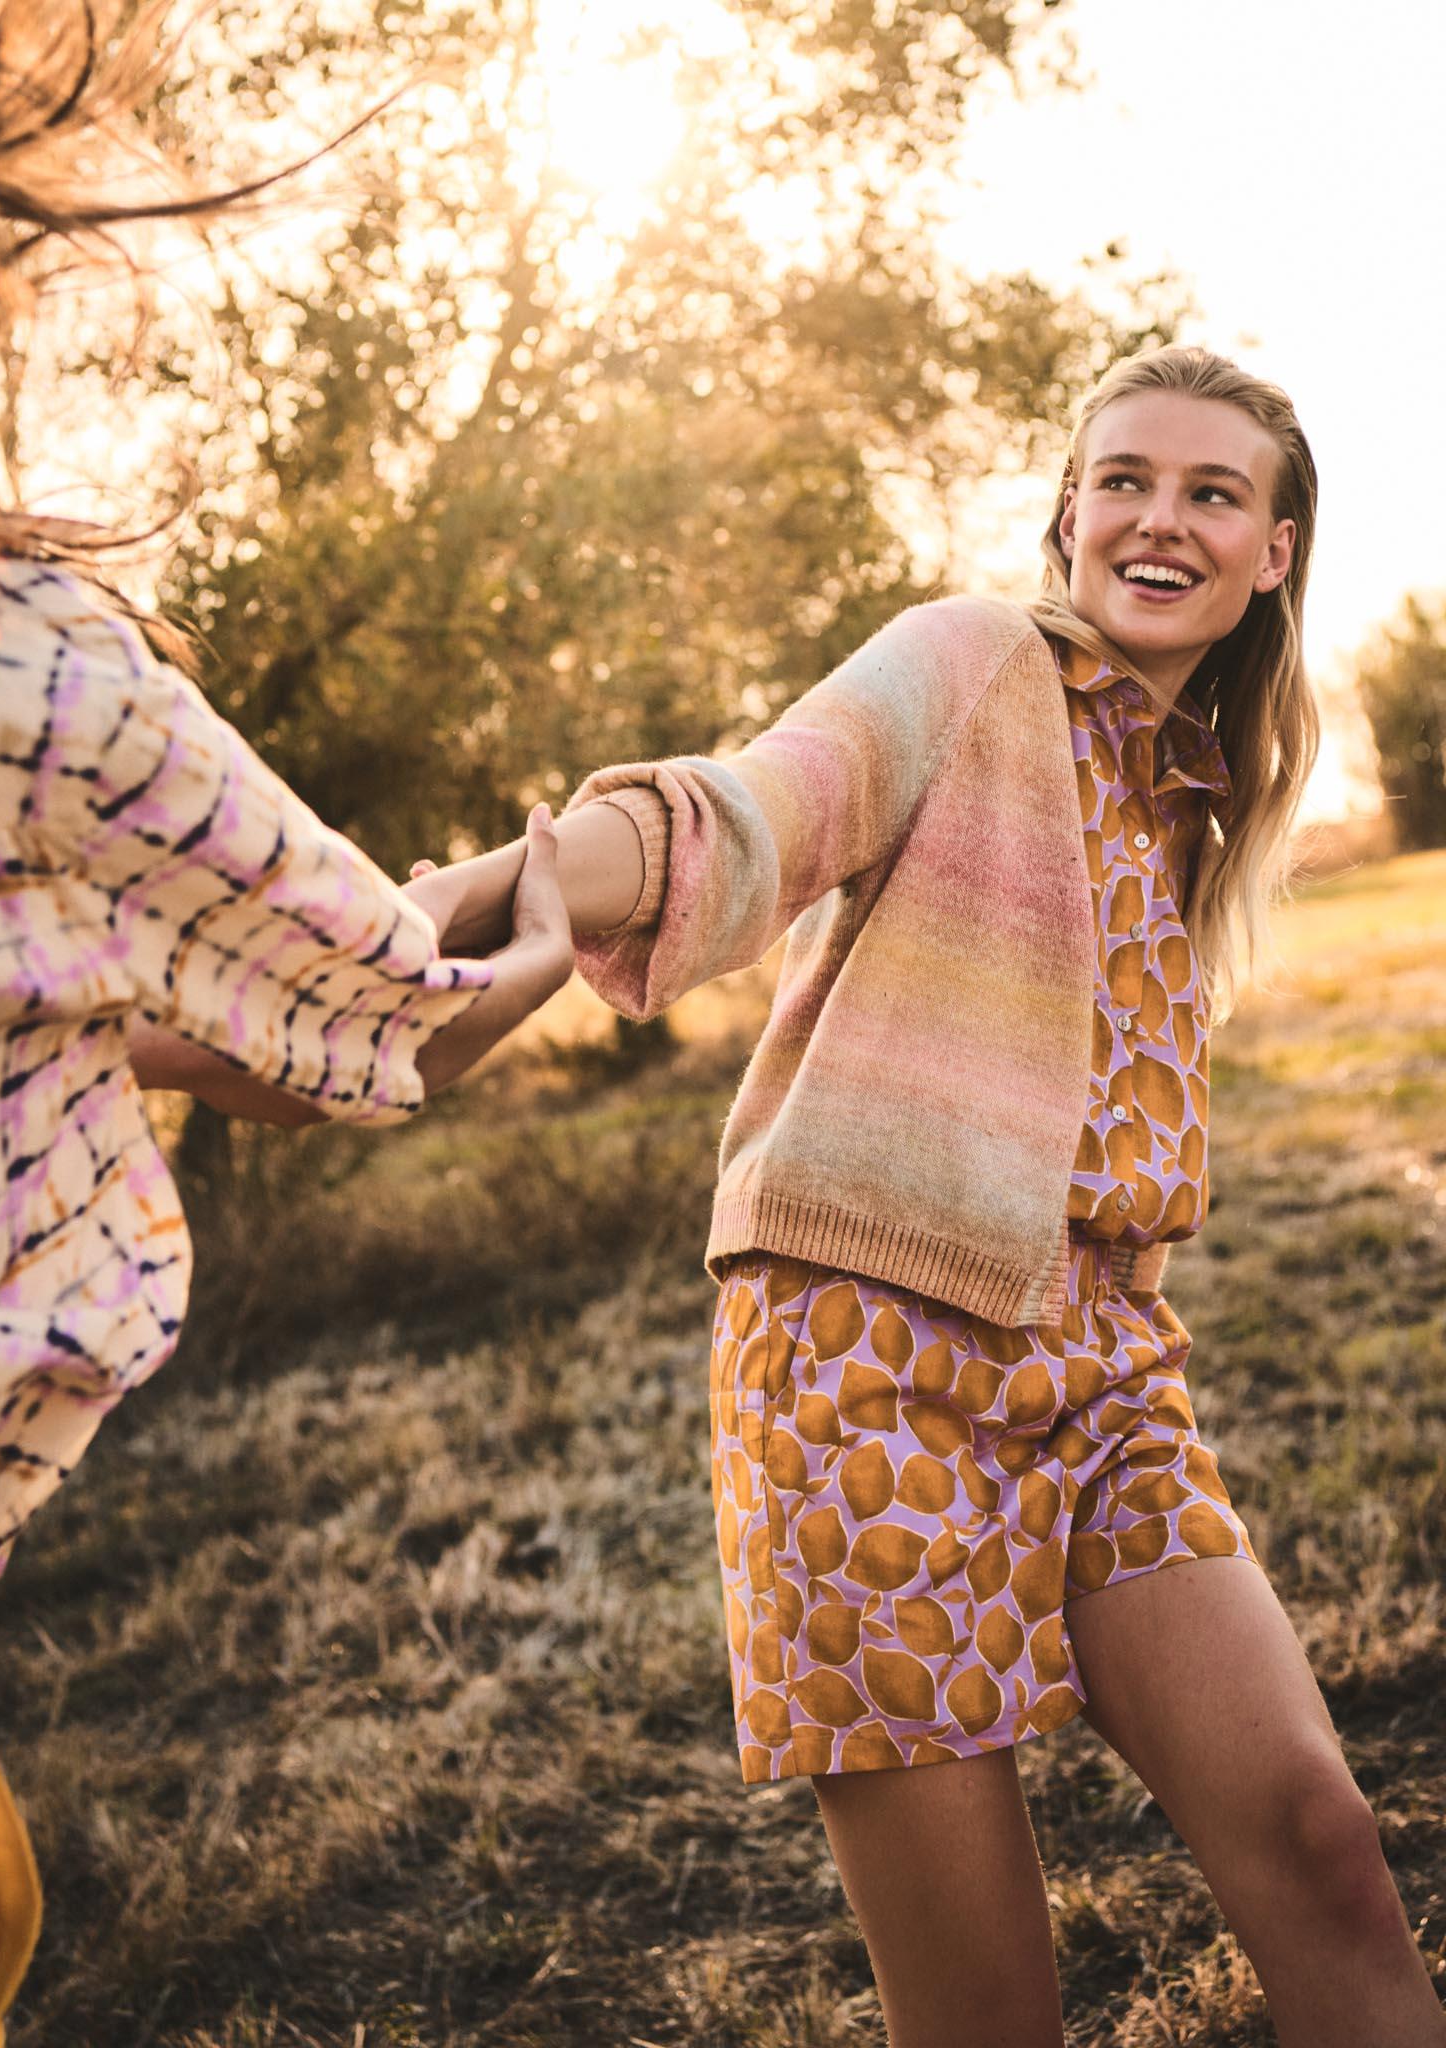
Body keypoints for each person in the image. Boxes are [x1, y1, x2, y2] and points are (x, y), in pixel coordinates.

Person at [410, 344, 1446, 2045]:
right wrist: (463, 897)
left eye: (1211, 493)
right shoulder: (972, 663)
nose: (1159, 520)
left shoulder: (1200, 792)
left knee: (1325, 1846)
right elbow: (751, 812)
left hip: (1108, 1367)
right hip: (866, 1365)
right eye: (1124, 480)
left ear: (1274, 552)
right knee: (984, 2014)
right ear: (1068, 511)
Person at [0, 9, 571, 2045]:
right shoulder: (17, 679)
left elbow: (2, 1032)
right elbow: (397, 1023)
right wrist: (557, 905)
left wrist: (185, 1030)